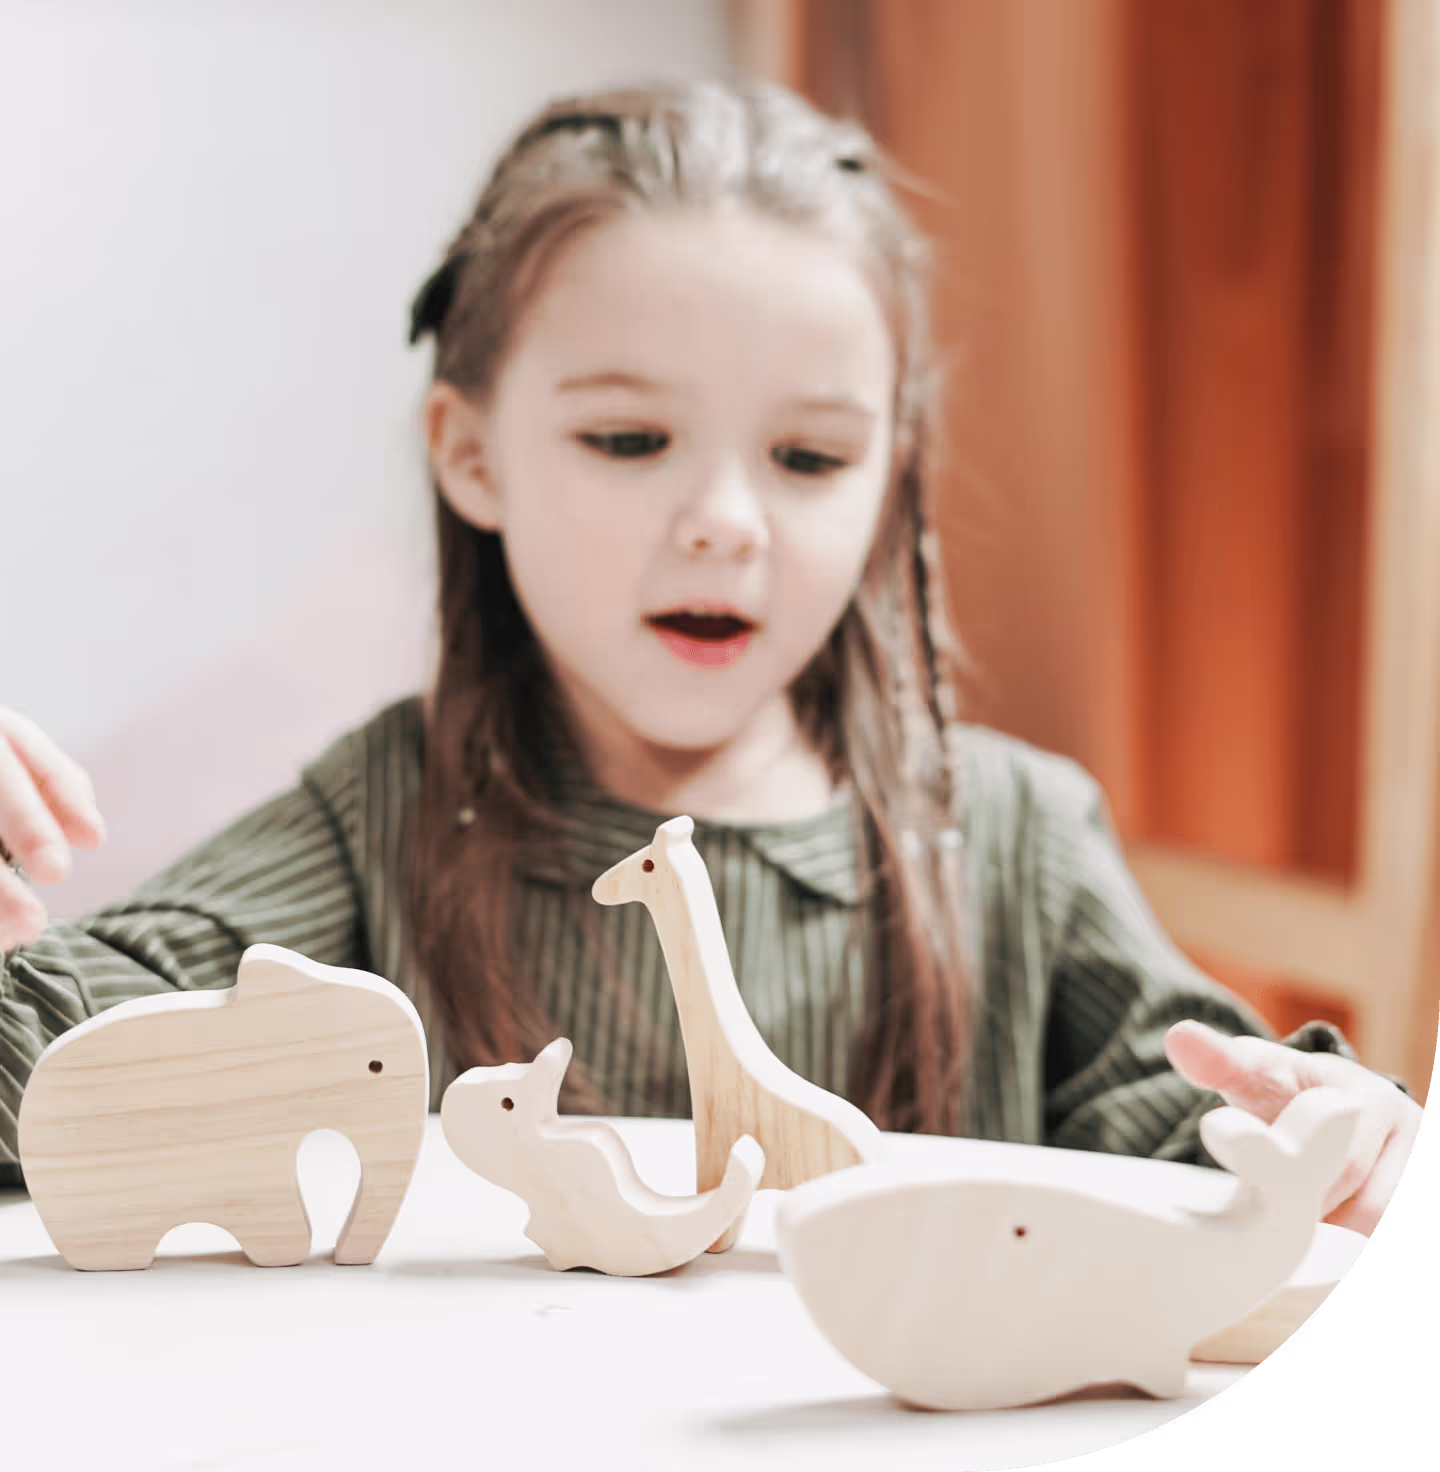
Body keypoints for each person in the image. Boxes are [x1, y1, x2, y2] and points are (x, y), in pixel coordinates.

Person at [0, 78, 1419, 1235]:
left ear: (890, 478)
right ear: (471, 454)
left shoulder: (1015, 839)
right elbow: (54, 1086)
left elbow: (1209, 1150)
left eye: (809, 456)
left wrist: (1332, 1147)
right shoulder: (378, 815)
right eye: (629, 441)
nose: (726, 524)